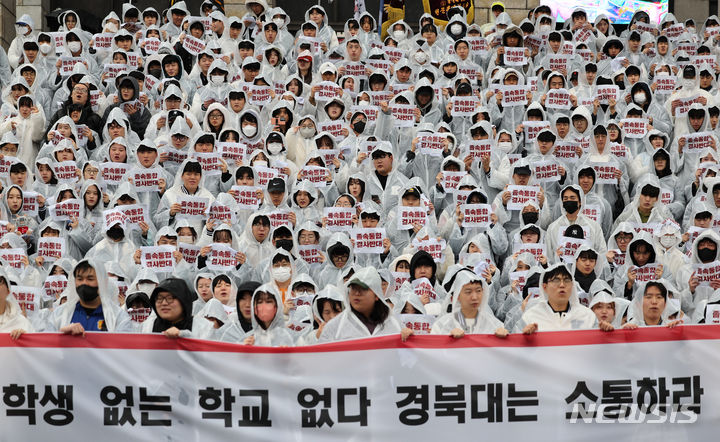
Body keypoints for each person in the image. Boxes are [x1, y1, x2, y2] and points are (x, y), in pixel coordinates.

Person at [319, 267, 403, 342]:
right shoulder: (335, 327)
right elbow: (324, 356)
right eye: (353, 288)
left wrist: (408, 337)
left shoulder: (394, 323)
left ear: (376, 295)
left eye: (363, 289)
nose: (356, 293)